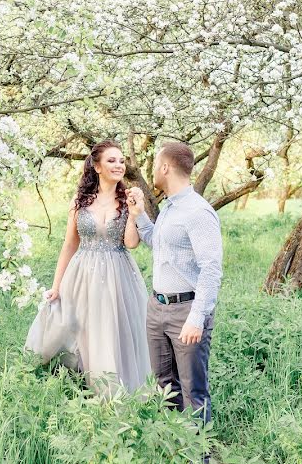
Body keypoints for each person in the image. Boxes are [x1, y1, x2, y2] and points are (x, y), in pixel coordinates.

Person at [25, 140, 152, 395]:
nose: (118, 165)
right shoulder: (80, 201)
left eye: (121, 161)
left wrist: (136, 212)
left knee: (110, 329)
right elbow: (69, 245)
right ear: (97, 166)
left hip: (118, 273)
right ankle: (75, 383)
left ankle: (112, 390)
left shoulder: (127, 200)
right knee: (79, 327)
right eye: (111, 160)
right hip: (82, 272)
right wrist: (56, 286)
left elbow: (130, 243)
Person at [126, 141, 223, 431]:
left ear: (165, 167)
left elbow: (211, 269)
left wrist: (197, 317)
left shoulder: (197, 212)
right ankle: (173, 451)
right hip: (157, 309)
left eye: (155, 165)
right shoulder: (170, 208)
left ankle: (199, 458)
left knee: (193, 392)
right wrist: (139, 214)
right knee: (165, 387)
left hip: (186, 312)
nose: (153, 171)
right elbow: (158, 242)